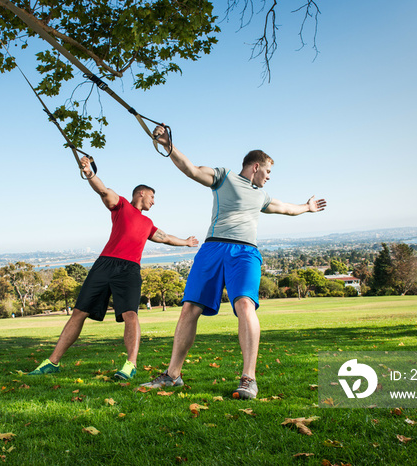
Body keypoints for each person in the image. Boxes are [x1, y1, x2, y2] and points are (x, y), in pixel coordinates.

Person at [142, 126, 327, 399]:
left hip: (245, 253)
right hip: (213, 248)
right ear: (256, 166)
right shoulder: (224, 176)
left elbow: (286, 208)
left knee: (244, 304)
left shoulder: (261, 195)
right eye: (268, 171)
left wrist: (306, 207)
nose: (269, 177)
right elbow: (191, 169)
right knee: (190, 308)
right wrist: (169, 146)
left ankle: (248, 378)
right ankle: (172, 375)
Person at [29, 156, 198, 380]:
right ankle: (52, 362)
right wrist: (89, 173)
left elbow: (165, 237)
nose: (154, 202)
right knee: (79, 312)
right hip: (104, 264)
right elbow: (103, 190)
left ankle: (130, 364)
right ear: (142, 193)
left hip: (129, 269)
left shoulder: (148, 224)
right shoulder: (121, 206)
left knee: (130, 314)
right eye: (152, 197)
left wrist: (186, 242)